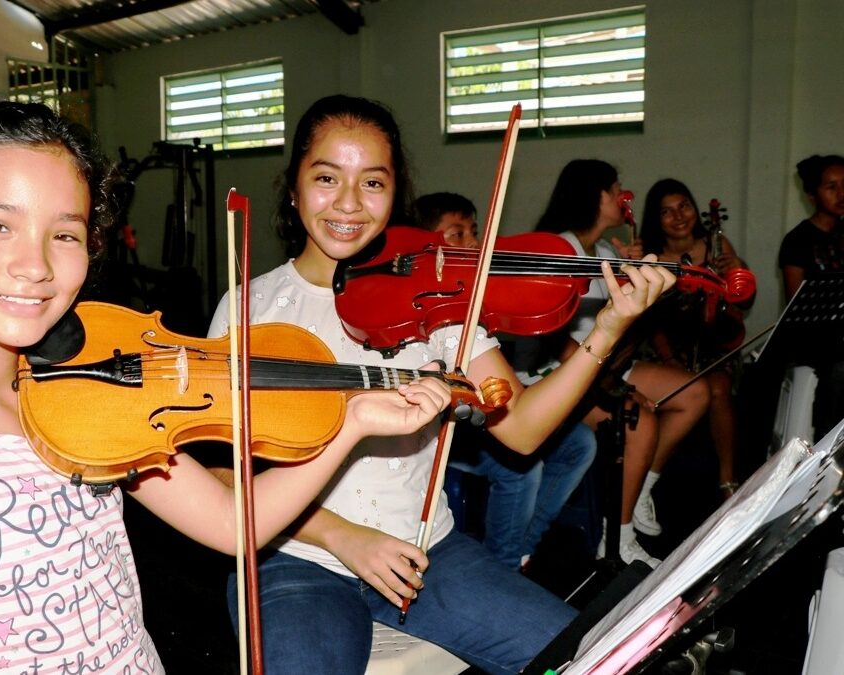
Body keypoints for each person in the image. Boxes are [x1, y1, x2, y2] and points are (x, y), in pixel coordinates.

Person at [0, 101, 456, 674]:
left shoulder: (89, 392)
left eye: (63, 234)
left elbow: (233, 525)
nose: (36, 265)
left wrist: (353, 423)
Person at [208, 96, 674, 674]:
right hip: (293, 557)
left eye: (372, 182)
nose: (349, 203)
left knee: (595, 661)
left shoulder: (436, 301)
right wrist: (342, 536)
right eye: (327, 177)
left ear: (393, 193)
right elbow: (223, 472)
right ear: (295, 188)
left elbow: (523, 430)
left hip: (425, 552)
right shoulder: (249, 306)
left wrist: (605, 331)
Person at [534, 160, 710, 563]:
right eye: (616, 190)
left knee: (694, 392)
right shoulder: (562, 248)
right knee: (640, 418)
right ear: (596, 197)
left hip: (607, 364)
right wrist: (612, 390)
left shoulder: (609, 249)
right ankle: (618, 536)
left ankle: (641, 487)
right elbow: (553, 338)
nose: (622, 196)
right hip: (567, 373)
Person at [413, 191, 598, 571]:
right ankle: (504, 565)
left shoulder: (471, 290)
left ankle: (524, 545)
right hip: (442, 424)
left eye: (474, 232)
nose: (474, 244)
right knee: (520, 466)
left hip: (481, 409)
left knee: (580, 441)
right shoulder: (422, 301)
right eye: (457, 234)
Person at [639, 178, 748, 498]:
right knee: (674, 385)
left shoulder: (717, 246)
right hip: (663, 348)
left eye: (684, 206)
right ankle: (649, 479)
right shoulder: (652, 258)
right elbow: (649, 322)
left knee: (718, 387)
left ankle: (727, 479)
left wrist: (737, 272)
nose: (679, 216)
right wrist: (671, 359)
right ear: (655, 219)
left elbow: (741, 305)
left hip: (714, 346)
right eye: (666, 212)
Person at [778, 154, 844, 438]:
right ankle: (828, 448)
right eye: (831, 187)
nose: (842, 194)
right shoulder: (797, 240)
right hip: (815, 337)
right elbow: (797, 305)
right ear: (812, 194)